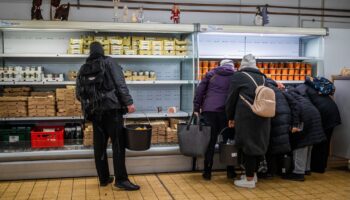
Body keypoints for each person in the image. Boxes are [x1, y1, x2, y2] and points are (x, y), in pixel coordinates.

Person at [76, 42, 140, 190]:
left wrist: (93, 103)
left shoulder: (83, 68)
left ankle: (104, 179)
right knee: (118, 145)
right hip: (112, 111)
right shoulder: (109, 62)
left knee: (99, 147)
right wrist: (129, 103)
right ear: (102, 50)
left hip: (95, 113)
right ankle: (121, 180)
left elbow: (79, 94)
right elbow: (120, 83)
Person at [225, 54, 271, 188]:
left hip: (246, 116)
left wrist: (230, 117)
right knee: (257, 145)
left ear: (242, 64)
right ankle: (253, 175)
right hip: (263, 116)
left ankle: (249, 180)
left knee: (248, 146)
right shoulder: (263, 77)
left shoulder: (238, 77)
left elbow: (231, 99)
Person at [193, 59, 235, 180]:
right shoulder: (236, 76)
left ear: (220, 66)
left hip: (209, 111)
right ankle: (230, 171)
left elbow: (199, 91)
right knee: (228, 141)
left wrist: (196, 107)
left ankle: (207, 172)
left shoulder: (211, 74)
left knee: (210, 141)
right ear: (232, 67)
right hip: (227, 112)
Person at [296, 77, 341, 173]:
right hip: (332, 111)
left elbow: (305, 106)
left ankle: (317, 167)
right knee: (325, 141)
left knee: (319, 140)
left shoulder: (301, 89)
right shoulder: (313, 87)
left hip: (325, 114)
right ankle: (320, 166)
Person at [283, 87, 326, 181]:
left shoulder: (287, 95)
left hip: (305, 118)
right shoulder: (300, 96)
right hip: (314, 117)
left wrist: (294, 124)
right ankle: (306, 169)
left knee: (301, 144)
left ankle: (298, 173)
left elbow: (295, 108)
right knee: (309, 144)